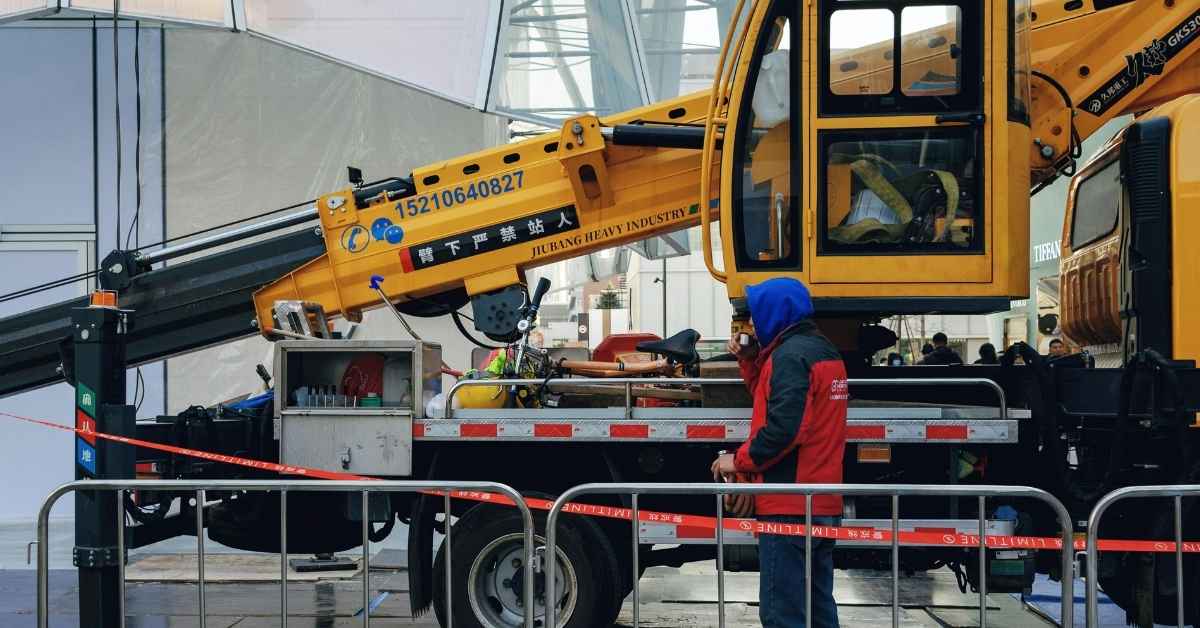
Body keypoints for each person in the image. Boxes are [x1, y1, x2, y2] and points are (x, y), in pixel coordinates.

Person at [712, 277, 847, 628]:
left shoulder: (789, 357)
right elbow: (773, 397)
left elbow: (784, 429)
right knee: (818, 609)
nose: (752, 324)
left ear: (777, 313)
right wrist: (750, 361)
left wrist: (737, 460)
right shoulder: (820, 351)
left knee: (781, 613)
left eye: (757, 314)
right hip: (821, 502)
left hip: (789, 506)